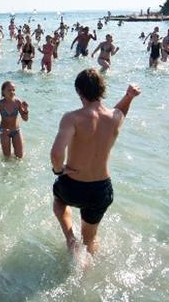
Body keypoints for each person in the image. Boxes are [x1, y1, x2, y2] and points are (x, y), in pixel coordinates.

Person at [50, 69, 140, 255]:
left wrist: (59, 171)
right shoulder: (115, 118)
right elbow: (120, 111)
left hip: (73, 186)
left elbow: (57, 154)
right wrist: (129, 96)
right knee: (90, 239)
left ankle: (70, 240)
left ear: (79, 91)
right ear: (102, 89)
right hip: (101, 189)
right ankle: (88, 272)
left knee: (59, 202)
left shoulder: (72, 118)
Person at [0, 81, 29, 158]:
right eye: (9, 90)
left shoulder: (18, 102)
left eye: (13, 90)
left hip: (16, 131)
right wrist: (2, 130)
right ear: (3, 92)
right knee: (7, 158)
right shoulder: (0, 105)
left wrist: (25, 110)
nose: (12, 92)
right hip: (5, 132)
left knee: (20, 157)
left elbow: (25, 119)